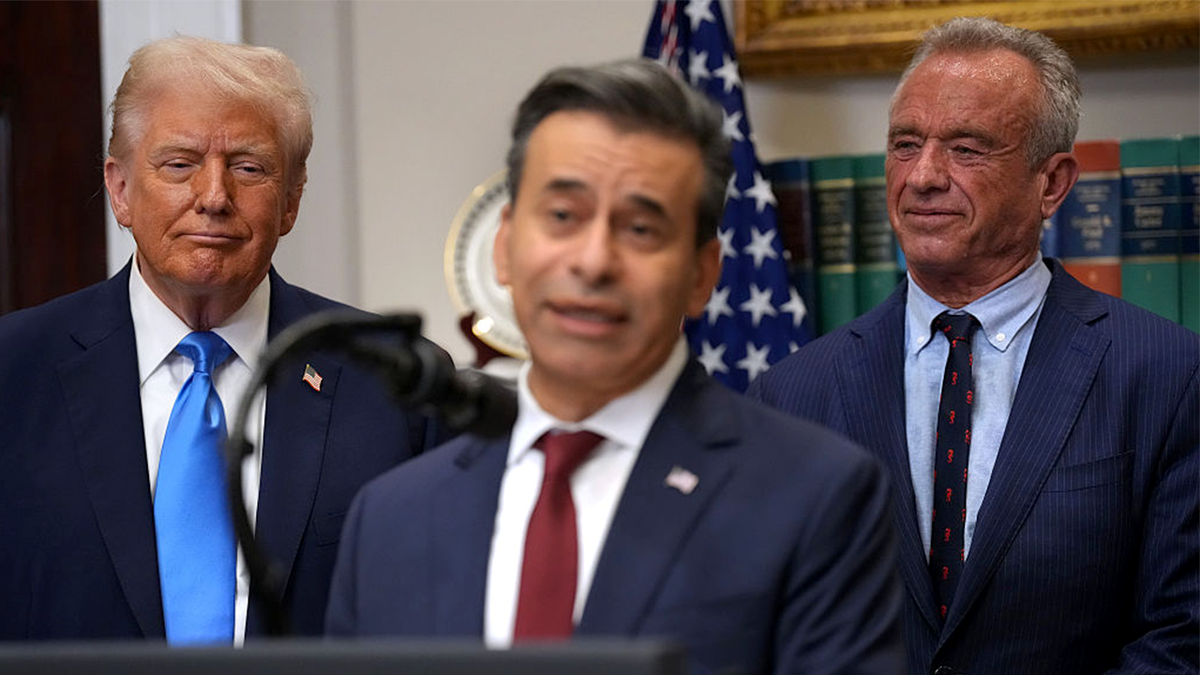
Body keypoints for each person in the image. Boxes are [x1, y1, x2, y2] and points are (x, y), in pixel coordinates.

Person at [325, 59, 903, 674]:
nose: (594, 261)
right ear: (504, 246)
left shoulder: (813, 496)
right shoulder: (392, 516)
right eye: (564, 216)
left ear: (702, 274)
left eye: (640, 228)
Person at [749, 17, 1199, 675]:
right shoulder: (790, 394)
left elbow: (1182, 639)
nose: (924, 176)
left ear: (1053, 183)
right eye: (906, 143)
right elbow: (765, 633)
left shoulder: (1167, 374)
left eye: (966, 148)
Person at [0, 36, 445, 642]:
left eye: (249, 168)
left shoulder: (393, 385)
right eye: (179, 163)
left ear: (290, 201)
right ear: (121, 188)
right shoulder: (14, 373)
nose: (213, 197)